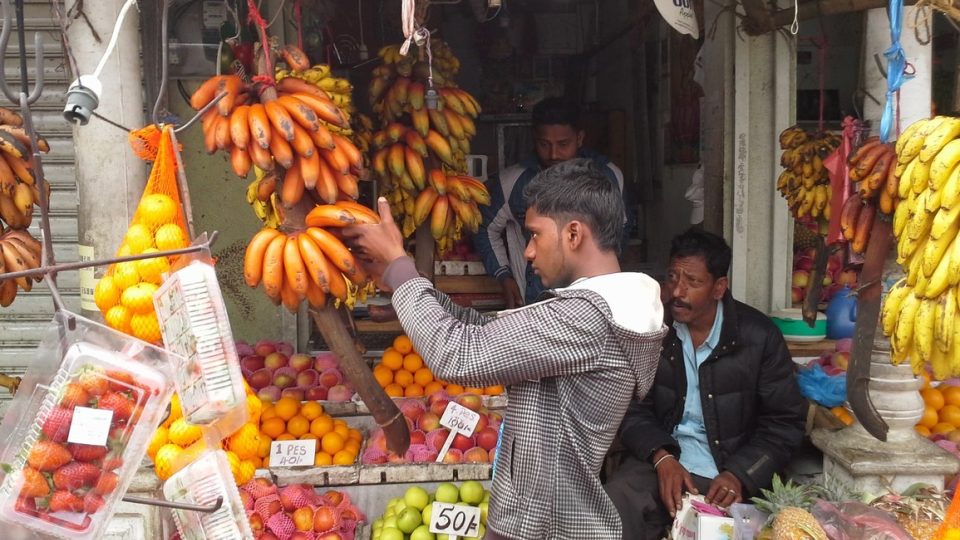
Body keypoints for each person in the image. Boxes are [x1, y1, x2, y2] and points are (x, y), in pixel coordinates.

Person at [343, 159, 666, 539]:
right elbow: (485, 332)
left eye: (534, 235)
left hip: (544, 529)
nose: (528, 252)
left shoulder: (587, 319)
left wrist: (401, 267)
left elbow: (457, 355)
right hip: (543, 519)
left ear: (574, 234)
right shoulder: (591, 311)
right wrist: (402, 281)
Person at [604, 229, 805, 540]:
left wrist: (741, 474)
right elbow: (631, 408)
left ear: (718, 288)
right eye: (672, 278)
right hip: (664, 466)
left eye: (693, 282)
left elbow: (785, 424)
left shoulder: (759, 338)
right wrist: (662, 457)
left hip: (729, 474)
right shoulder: (654, 331)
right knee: (615, 504)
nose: (677, 292)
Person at [474, 97, 628, 309]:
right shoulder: (513, 181)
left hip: (596, 303)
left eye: (563, 144)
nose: (554, 154)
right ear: (534, 139)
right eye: (544, 144)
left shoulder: (608, 176)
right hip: (532, 303)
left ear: (580, 138)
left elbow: (618, 235)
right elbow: (484, 228)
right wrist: (503, 275)